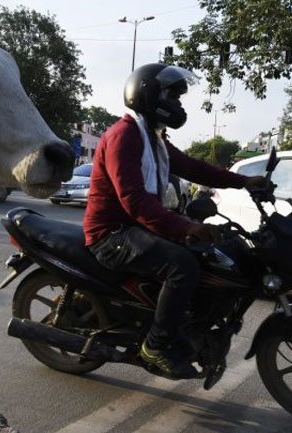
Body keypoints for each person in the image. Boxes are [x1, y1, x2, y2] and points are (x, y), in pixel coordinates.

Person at [83, 63, 267, 379]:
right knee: (182, 265)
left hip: (136, 226)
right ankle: (155, 346)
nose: (178, 104)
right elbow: (134, 201)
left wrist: (243, 182)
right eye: (174, 96)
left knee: (215, 254)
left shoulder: (153, 139)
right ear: (151, 95)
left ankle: (186, 324)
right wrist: (185, 227)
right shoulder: (123, 136)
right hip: (111, 233)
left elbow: (194, 168)